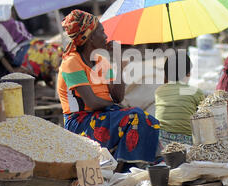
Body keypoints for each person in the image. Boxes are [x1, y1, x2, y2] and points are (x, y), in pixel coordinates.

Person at [57, 10, 160, 172]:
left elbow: (118, 96)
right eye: (101, 31)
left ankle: (129, 166)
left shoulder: (101, 62)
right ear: (90, 38)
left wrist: (118, 60)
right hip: (80, 122)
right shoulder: (71, 62)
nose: (106, 35)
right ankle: (127, 168)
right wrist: (115, 107)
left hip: (102, 115)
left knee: (151, 122)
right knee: (135, 116)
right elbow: (92, 102)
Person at [155, 51, 205, 147]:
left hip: (160, 141)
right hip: (187, 142)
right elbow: (203, 119)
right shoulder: (195, 92)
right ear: (189, 73)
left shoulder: (159, 91)